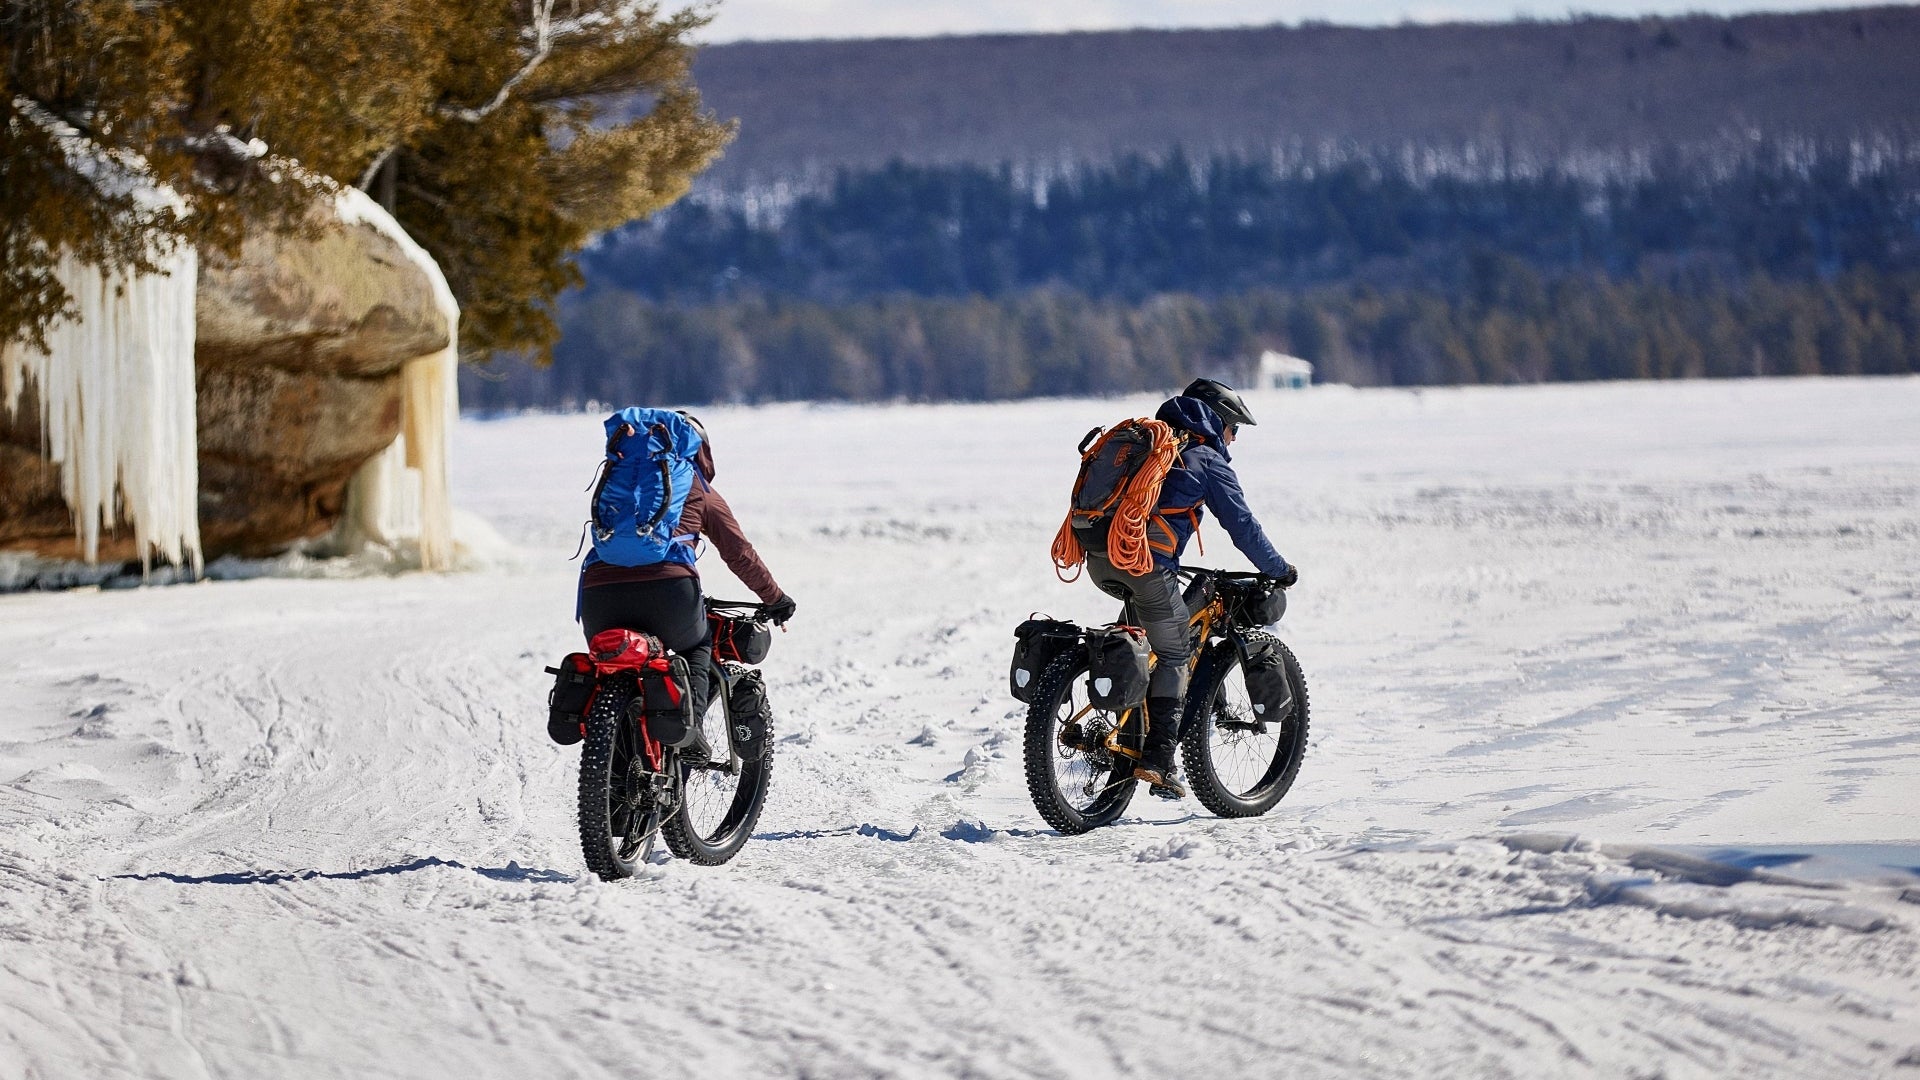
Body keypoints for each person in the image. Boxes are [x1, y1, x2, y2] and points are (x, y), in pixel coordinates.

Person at [1083, 378, 1296, 799]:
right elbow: (1243, 527)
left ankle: (1130, 727)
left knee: (1148, 641)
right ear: (1218, 419)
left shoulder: (1148, 445)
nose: (1234, 438)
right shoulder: (1205, 459)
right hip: (1145, 565)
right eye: (1234, 428)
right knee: (1176, 650)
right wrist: (1279, 568)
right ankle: (1159, 759)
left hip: (1100, 559)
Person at [578, 411, 796, 759]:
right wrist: (775, 598)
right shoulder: (696, 487)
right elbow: (739, 554)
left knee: (614, 665)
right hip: (670, 593)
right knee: (697, 646)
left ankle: (609, 776)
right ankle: (687, 728)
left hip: (599, 596)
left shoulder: (621, 479)